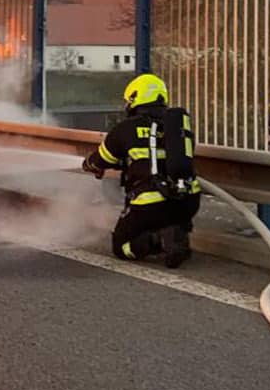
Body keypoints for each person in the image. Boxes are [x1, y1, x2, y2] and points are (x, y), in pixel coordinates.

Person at [81, 73, 201, 268]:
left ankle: (160, 240)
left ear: (136, 98)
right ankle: (176, 231)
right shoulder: (176, 127)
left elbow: (102, 159)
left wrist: (89, 164)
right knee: (166, 214)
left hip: (150, 203)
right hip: (188, 199)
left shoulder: (125, 129)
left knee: (122, 247)